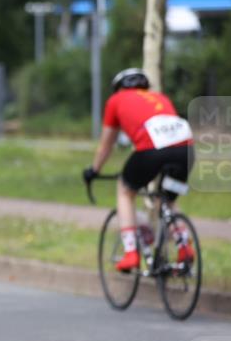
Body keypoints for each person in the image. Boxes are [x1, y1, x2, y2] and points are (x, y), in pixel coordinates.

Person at [83, 68, 194, 272]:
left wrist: (94, 170)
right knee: (167, 199)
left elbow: (106, 145)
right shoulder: (160, 97)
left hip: (152, 150)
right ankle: (184, 246)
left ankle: (130, 253)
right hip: (185, 151)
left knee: (125, 191)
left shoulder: (116, 100)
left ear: (119, 88)